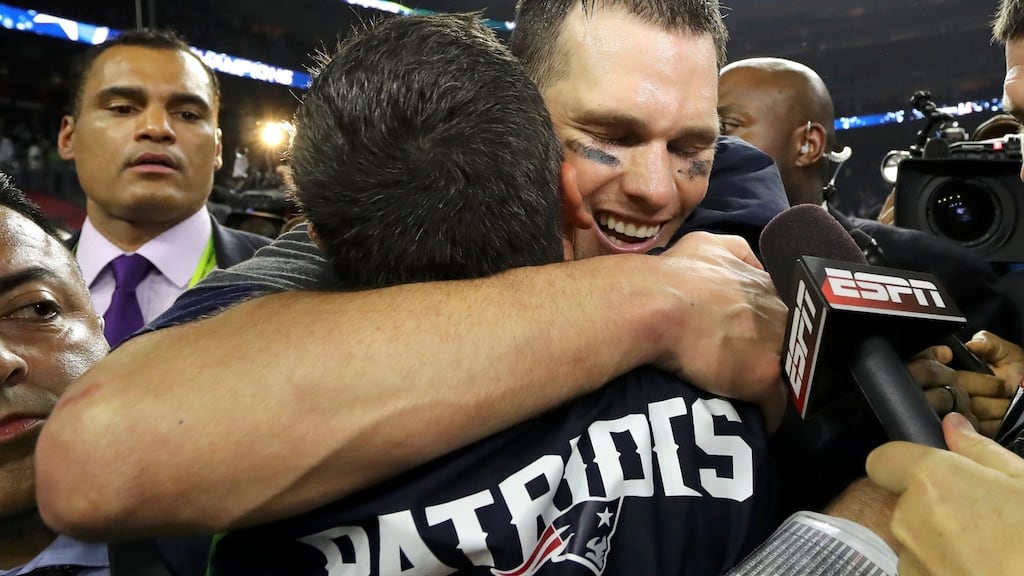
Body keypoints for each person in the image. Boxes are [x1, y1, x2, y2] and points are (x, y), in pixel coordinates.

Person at [36, 0, 789, 540]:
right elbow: (100, 458)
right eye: (608, 136)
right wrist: (660, 300)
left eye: (693, 147)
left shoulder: (740, 198)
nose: (658, 189)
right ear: (516, 111)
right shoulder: (349, 252)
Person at [717, 56, 1023, 431]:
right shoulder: (691, 265)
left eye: (723, 126)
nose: (706, 143)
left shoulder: (930, 265)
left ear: (807, 144)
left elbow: (991, 405)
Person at [55, 29, 270, 347]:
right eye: (122, 108)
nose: (157, 128)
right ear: (69, 137)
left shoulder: (297, 285)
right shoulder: (14, 285)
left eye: (187, 114)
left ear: (218, 149)